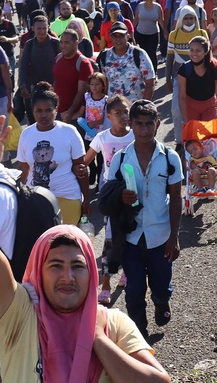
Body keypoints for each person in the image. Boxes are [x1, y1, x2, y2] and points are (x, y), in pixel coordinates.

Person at [0, 113, 171, 382]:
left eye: (78, 266)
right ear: (37, 271)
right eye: (55, 265)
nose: (67, 277)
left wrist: (95, 338)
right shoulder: (20, 316)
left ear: (92, 273)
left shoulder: (111, 323)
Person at [112, 100, 183, 339]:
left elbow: (175, 198)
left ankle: (162, 301)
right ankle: (139, 336)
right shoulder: (120, 159)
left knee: (161, 284)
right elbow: (107, 198)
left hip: (160, 236)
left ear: (158, 124)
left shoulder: (170, 158)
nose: (143, 130)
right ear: (130, 125)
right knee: (133, 291)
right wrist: (120, 196)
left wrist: (174, 237)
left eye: (149, 124)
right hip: (131, 238)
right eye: (138, 124)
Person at [83, 94, 134, 303]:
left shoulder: (135, 136)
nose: (123, 116)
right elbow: (85, 161)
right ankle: (105, 282)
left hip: (132, 193)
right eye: (117, 113)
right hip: (110, 195)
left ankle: (127, 273)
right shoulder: (102, 137)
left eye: (125, 112)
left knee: (131, 234)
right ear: (108, 115)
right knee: (110, 239)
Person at [17, 82, 88, 225]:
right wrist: (19, 197)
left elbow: (81, 169)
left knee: (64, 242)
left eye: (48, 110)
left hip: (67, 195)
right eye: (39, 110)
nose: (44, 115)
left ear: (56, 110)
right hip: (36, 198)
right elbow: (23, 168)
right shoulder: (26, 134)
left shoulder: (69, 132)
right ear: (32, 110)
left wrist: (85, 200)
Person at [166, 6, 208, 142]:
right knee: (177, 110)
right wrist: (167, 78)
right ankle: (180, 140)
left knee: (200, 108)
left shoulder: (202, 33)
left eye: (191, 18)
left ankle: (200, 140)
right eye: (186, 18)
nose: (189, 21)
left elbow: (208, 56)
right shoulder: (174, 34)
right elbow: (170, 57)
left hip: (200, 77)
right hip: (179, 76)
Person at [98, 22, 155, 103]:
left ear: (128, 36)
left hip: (135, 109)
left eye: (121, 35)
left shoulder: (139, 54)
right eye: (115, 36)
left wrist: (142, 106)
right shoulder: (104, 56)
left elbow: (150, 83)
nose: (118, 39)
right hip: (114, 110)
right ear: (110, 37)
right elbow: (105, 83)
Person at [178, 36, 217, 131]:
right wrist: (184, 119)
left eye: (198, 50)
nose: (194, 53)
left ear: (206, 51)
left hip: (209, 106)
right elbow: (182, 96)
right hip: (190, 107)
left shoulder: (215, 67)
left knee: (209, 138)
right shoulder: (184, 69)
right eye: (191, 50)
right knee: (192, 139)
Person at [134, 0, 164, 74]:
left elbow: (161, 20)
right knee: (142, 54)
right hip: (141, 34)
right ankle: (142, 72)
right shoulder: (140, 6)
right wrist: (130, 30)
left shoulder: (158, 7)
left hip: (153, 34)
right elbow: (136, 19)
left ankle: (154, 73)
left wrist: (165, 32)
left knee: (152, 54)